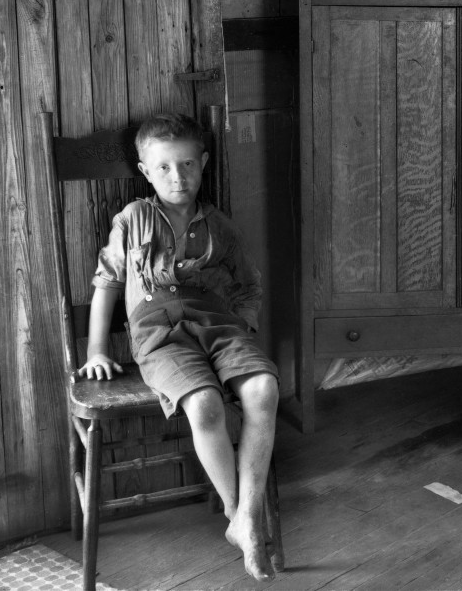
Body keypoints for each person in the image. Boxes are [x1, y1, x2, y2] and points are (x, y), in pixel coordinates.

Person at [78, 114, 280, 583]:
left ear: (204, 163)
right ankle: (241, 517)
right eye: (165, 167)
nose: (178, 177)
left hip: (219, 325)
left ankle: (245, 514)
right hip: (159, 335)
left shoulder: (220, 227)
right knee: (206, 403)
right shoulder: (134, 219)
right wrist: (95, 350)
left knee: (263, 389)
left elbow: (250, 287)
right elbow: (107, 283)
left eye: (188, 164)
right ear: (146, 170)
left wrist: (243, 328)